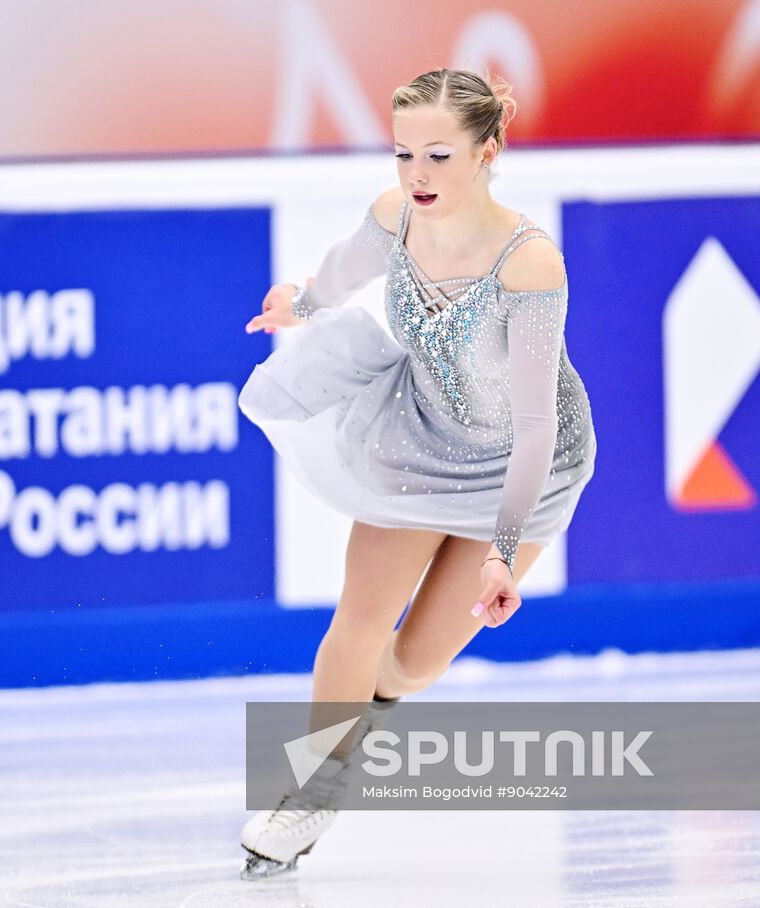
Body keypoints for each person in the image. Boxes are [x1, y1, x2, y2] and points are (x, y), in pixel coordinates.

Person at [235, 67, 597, 879]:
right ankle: (313, 792)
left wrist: (503, 550)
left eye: (438, 155)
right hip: (418, 440)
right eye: (404, 154)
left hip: (527, 467)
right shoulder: (395, 216)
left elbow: (535, 425)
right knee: (359, 620)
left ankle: (359, 722)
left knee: (412, 664)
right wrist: (302, 303)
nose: (417, 174)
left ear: (487, 153)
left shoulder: (530, 264)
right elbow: (343, 270)